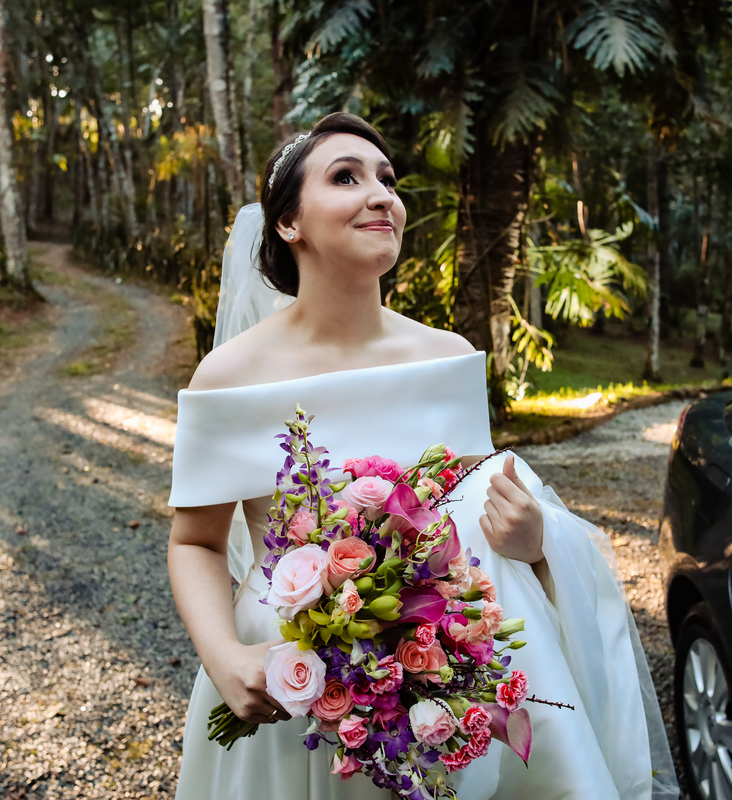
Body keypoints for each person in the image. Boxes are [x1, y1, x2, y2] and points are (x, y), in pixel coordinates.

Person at [166, 112, 677, 800]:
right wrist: (226, 658)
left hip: (448, 675)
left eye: (388, 179)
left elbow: (473, 531)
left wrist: (534, 543)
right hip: (297, 682)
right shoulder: (228, 378)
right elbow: (194, 541)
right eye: (347, 177)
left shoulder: (447, 358)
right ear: (289, 223)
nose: (382, 195)